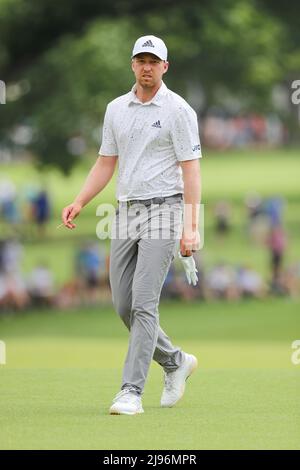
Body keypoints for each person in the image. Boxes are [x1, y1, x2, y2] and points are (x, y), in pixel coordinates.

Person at [61, 35, 202, 415]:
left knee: (143, 303)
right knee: (123, 304)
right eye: (141, 59)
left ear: (165, 67)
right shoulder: (115, 109)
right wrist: (79, 200)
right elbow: (106, 162)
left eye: (154, 61)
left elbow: (191, 171)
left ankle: (131, 391)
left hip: (165, 210)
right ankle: (175, 361)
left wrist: (191, 226)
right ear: (132, 64)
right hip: (125, 213)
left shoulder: (178, 110)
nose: (147, 66)